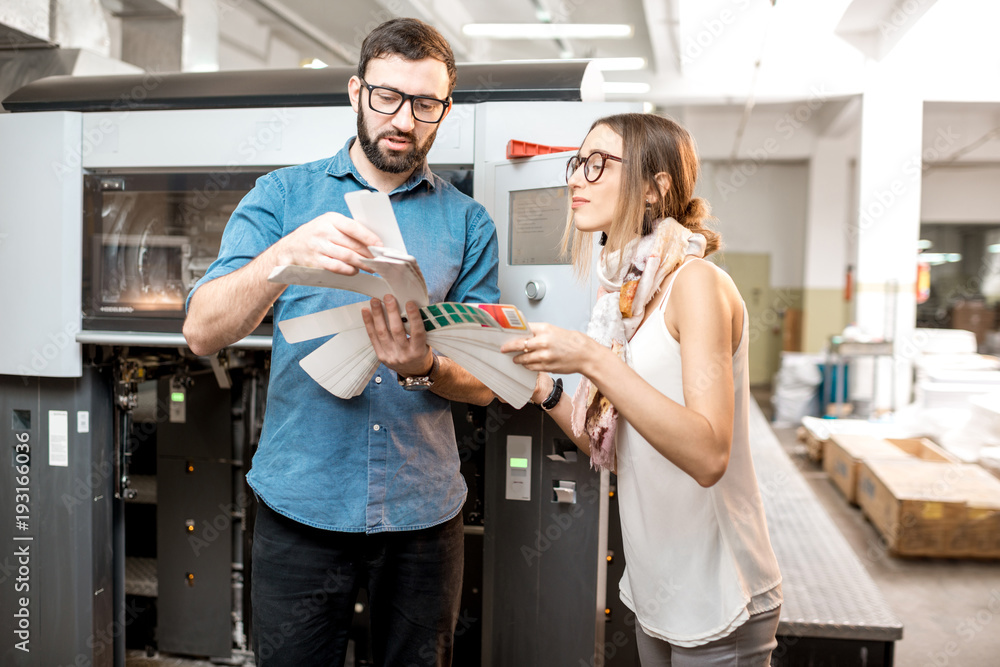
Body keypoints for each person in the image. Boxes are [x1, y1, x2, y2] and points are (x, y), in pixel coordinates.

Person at [183, 18, 498, 667]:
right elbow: (200, 330)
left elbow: (485, 380)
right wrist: (284, 255)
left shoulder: (467, 223)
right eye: (387, 96)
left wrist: (426, 365)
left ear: (444, 110)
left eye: (425, 103)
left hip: (423, 515)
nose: (403, 118)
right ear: (356, 90)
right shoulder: (281, 196)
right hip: (300, 505)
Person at [501, 113, 782, 665]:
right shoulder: (625, 296)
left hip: (720, 591)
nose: (576, 179)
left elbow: (707, 454)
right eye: (576, 163)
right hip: (657, 586)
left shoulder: (695, 284)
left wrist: (590, 360)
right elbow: (616, 443)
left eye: (598, 163)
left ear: (656, 187)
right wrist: (543, 389)